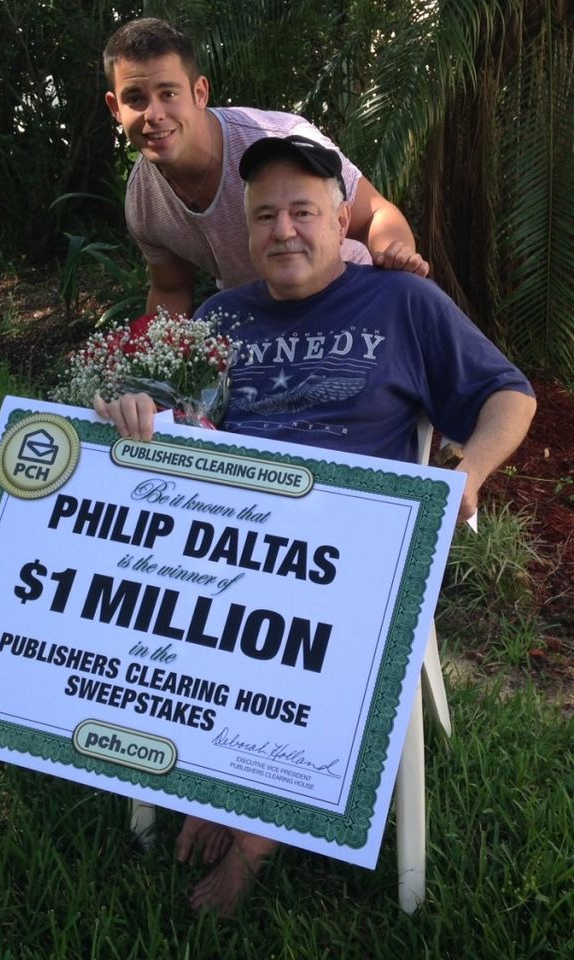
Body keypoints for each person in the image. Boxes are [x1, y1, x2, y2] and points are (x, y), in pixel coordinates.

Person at [94, 136, 536, 915]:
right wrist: (135, 408)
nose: (284, 230)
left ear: (342, 224)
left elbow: (509, 395)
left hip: (358, 550)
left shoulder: (402, 304)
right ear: (247, 229)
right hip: (233, 538)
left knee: (293, 622)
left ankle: (254, 829)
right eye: (265, 215)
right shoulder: (223, 316)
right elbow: (169, 416)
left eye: (304, 211)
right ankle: (219, 773)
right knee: (161, 602)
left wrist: (470, 473)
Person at [103, 17, 430, 318]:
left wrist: (394, 265)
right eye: (135, 98)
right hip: (260, 333)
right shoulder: (143, 199)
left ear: (199, 93)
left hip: (350, 307)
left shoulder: (283, 143)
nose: (154, 114)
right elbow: (171, 288)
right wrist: (155, 373)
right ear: (115, 108)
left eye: (168, 93)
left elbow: (374, 214)